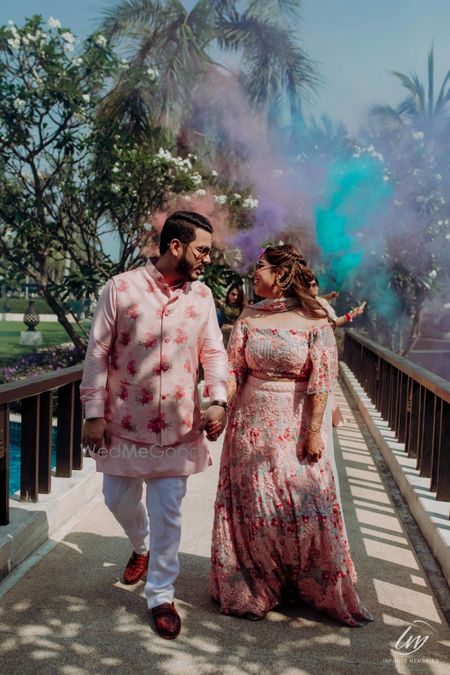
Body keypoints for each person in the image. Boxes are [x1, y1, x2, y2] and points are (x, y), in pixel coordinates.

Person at [80, 211, 228, 640]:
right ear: (175, 246)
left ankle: (161, 594)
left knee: (170, 513)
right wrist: (93, 413)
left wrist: (217, 399)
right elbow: (97, 353)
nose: (207, 260)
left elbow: (214, 354)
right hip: (125, 422)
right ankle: (140, 546)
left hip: (179, 425)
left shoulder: (202, 297)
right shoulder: (121, 289)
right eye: (202, 250)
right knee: (116, 498)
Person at [210, 244, 373, 627]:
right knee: (255, 506)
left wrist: (314, 432)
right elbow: (233, 370)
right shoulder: (250, 316)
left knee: (304, 504)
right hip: (250, 427)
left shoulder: (315, 320)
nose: (254, 273)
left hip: (296, 423)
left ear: (282, 274)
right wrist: (220, 407)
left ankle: (308, 584)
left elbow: (322, 379)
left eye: (261, 267)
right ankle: (257, 583)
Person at [309, 274, 366, 427]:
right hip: (314, 349)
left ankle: (330, 418)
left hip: (326, 347)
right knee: (319, 383)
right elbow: (333, 322)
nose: (312, 287)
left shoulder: (319, 301)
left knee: (327, 383)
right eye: (309, 285)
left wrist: (352, 314)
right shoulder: (306, 303)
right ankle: (326, 419)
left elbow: (333, 322)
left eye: (315, 284)